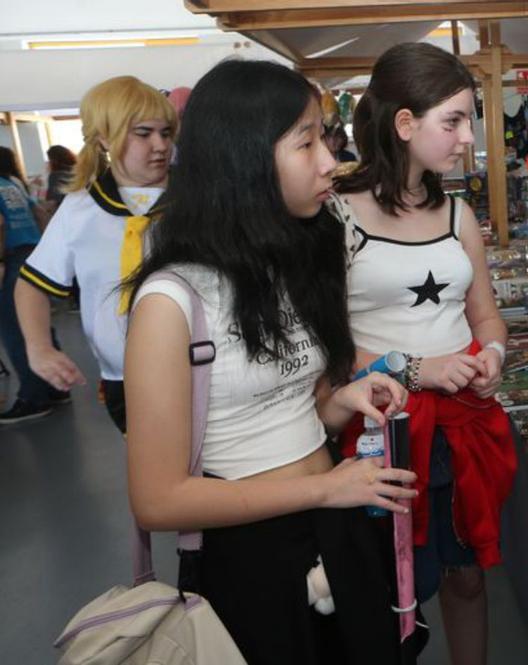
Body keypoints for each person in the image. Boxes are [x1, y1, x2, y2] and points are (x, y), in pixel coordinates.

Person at [123, 59, 415, 664]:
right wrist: (322, 491)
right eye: (305, 142)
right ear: (243, 158)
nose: (329, 161)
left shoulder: (289, 262)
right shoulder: (171, 303)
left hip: (333, 527)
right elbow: (158, 499)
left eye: (325, 140)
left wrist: (340, 402)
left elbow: (296, 410)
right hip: (250, 558)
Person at [332, 42, 516, 665]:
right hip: (379, 428)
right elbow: (323, 344)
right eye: (454, 121)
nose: (468, 138)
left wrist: (491, 353)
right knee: (390, 583)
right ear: (405, 125)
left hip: (463, 424)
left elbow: (484, 312)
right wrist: (416, 369)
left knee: (467, 572)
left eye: (469, 121)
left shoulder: (458, 213)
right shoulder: (336, 216)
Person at [15, 75, 176, 433]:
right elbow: (32, 285)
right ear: (104, 137)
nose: (160, 145)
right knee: (155, 478)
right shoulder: (79, 210)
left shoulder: (199, 200)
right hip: (124, 380)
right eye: (143, 133)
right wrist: (39, 347)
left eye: (166, 133)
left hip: (206, 372)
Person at [0, 146, 63, 424]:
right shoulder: (10, 185)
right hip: (31, 253)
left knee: (15, 330)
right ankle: (56, 385)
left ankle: (33, 396)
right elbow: (38, 213)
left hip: (10, 257)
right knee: (38, 325)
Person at [44, 145, 76, 213]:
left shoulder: (56, 176)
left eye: (49, 160)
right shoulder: (79, 172)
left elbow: (52, 203)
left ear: (54, 161)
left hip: (67, 214)